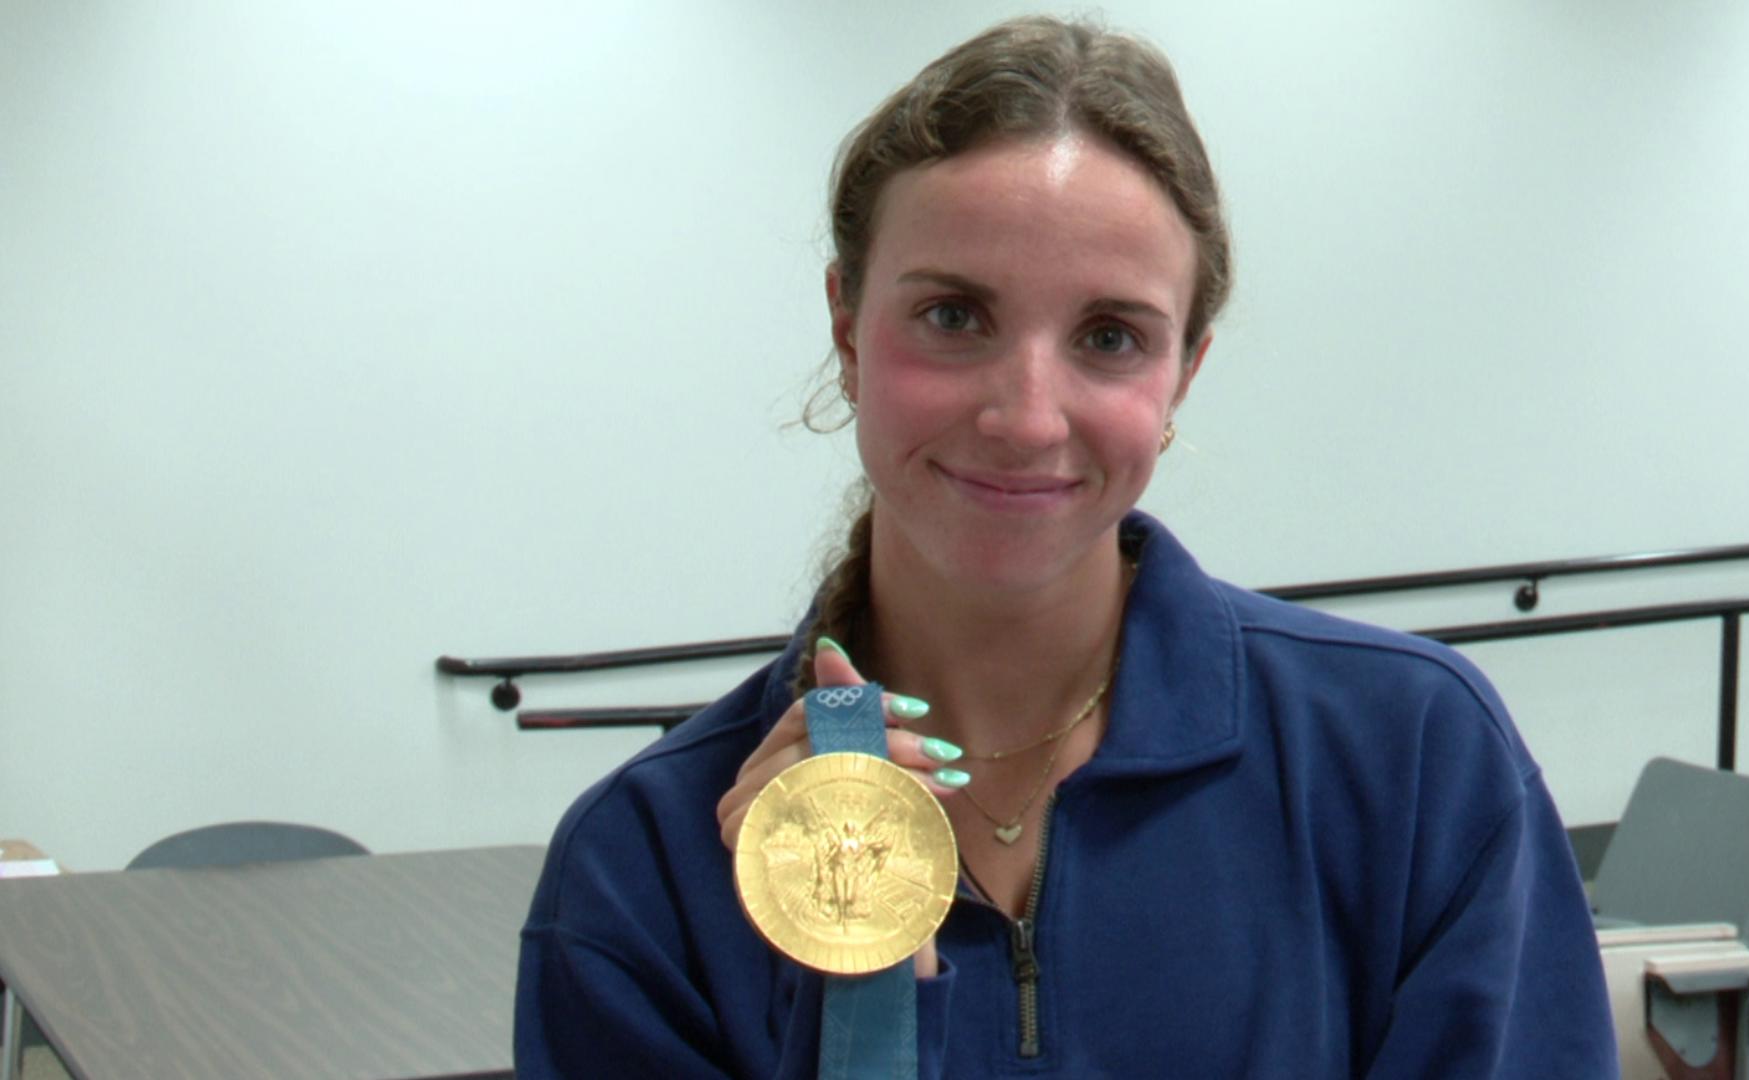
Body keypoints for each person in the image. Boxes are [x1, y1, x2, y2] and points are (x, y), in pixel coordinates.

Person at [515, 14, 1616, 1078]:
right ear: (848, 329)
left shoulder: (1412, 767)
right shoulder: (647, 870)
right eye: (954, 315)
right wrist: (858, 1009)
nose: (1028, 417)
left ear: (1184, 371)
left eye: (1108, 338)